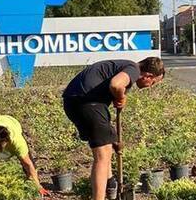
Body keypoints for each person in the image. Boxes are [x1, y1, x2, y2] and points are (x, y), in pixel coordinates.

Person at [63, 57, 165, 200]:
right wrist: (121, 97)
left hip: (74, 101)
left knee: (105, 145)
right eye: (153, 82)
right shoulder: (134, 69)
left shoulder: (123, 65)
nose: (150, 86)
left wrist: (114, 137)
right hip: (87, 102)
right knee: (102, 156)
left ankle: (110, 183)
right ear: (148, 75)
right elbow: (116, 85)